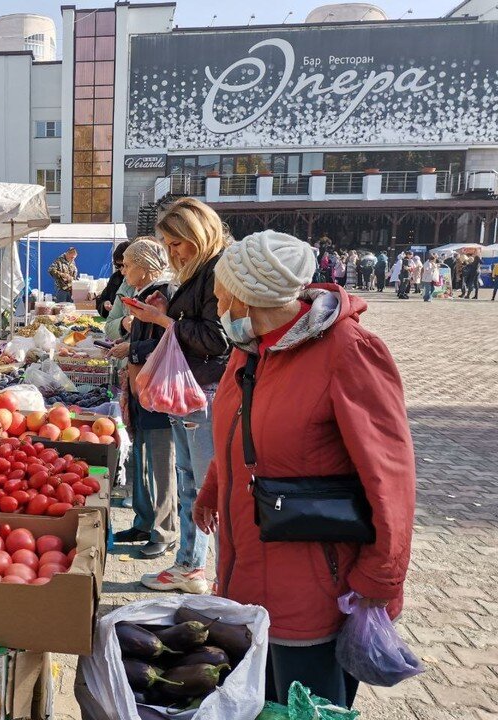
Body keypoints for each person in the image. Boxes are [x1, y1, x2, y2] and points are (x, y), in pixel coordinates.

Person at [193, 230, 415, 707]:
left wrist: (381, 579)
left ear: (248, 298)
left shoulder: (348, 351)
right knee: (260, 700)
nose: (215, 304)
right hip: (245, 568)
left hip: (311, 586)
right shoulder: (249, 346)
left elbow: (390, 475)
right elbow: (239, 430)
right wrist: (214, 486)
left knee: (306, 705)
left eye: (220, 294)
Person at [123, 198, 231, 591]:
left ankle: (224, 576)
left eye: (176, 244)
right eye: (167, 245)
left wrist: (162, 319)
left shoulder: (218, 271)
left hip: (204, 392)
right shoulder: (198, 271)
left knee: (205, 486)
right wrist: (168, 308)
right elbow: (197, 323)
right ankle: (190, 565)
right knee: (191, 483)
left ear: (197, 235)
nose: (171, 252)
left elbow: (215, 339)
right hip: (193, 389)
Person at [106, 239, 176, 557]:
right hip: (141, 390)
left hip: (158, 392)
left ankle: (164, 532)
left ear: (146, 265)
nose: (124, 270)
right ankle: (144, 522)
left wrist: (129, 349)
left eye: (128, 265)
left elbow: (169, 343)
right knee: (144, 459)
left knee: (161, 464)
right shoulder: (143, 294)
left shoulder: (162, 295)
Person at [95, 241, 130, 318]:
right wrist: (104, 304)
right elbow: (102, 298)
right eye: (118, 266)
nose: (122, 271)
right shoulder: (115, 277)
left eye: (124, 265)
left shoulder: (140, 284)